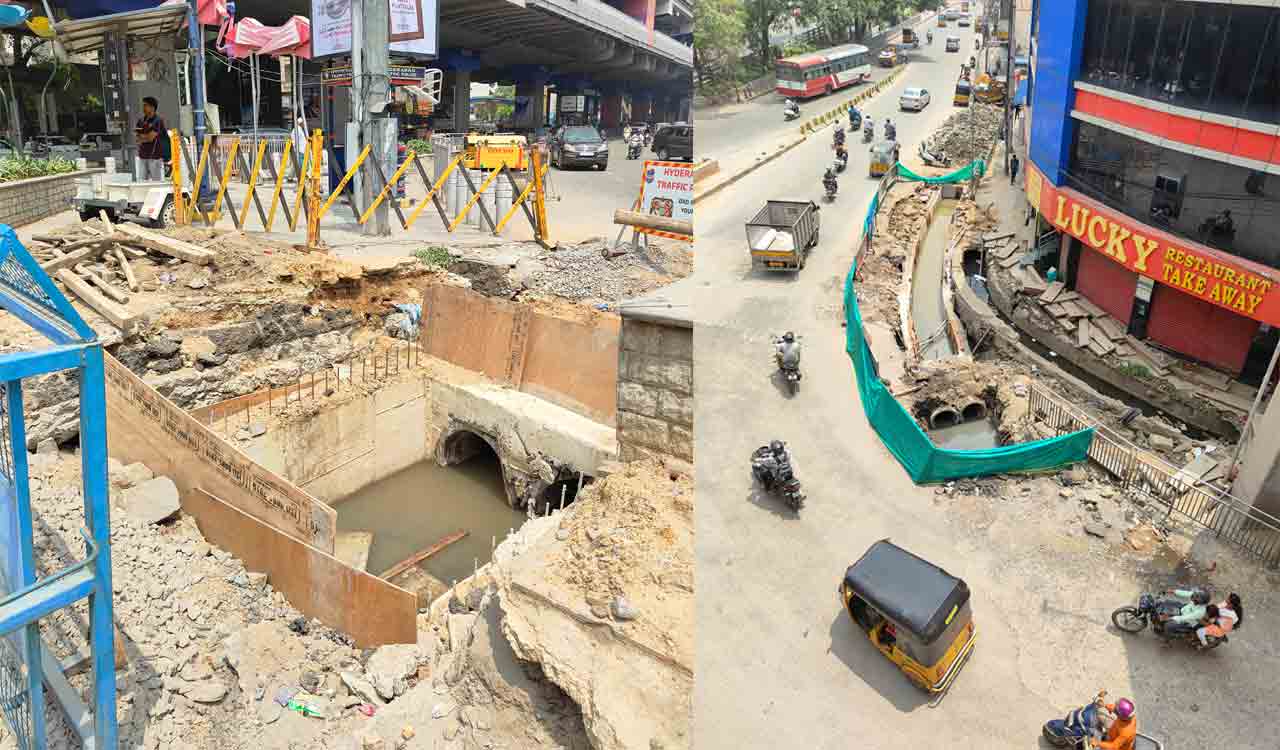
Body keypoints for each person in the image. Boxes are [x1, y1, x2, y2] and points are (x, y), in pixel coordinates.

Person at [135, 96, 169, 181]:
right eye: (143, 105)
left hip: (155, 157)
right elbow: (137, 138)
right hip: (143, 156)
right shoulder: (141, 121)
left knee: (156, 182)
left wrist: (143, 137)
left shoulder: (158, 121)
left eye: (145, 105)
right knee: (142, 181)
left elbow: (151, 138)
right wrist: (145, 136)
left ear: (152, 107)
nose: (143, 108)